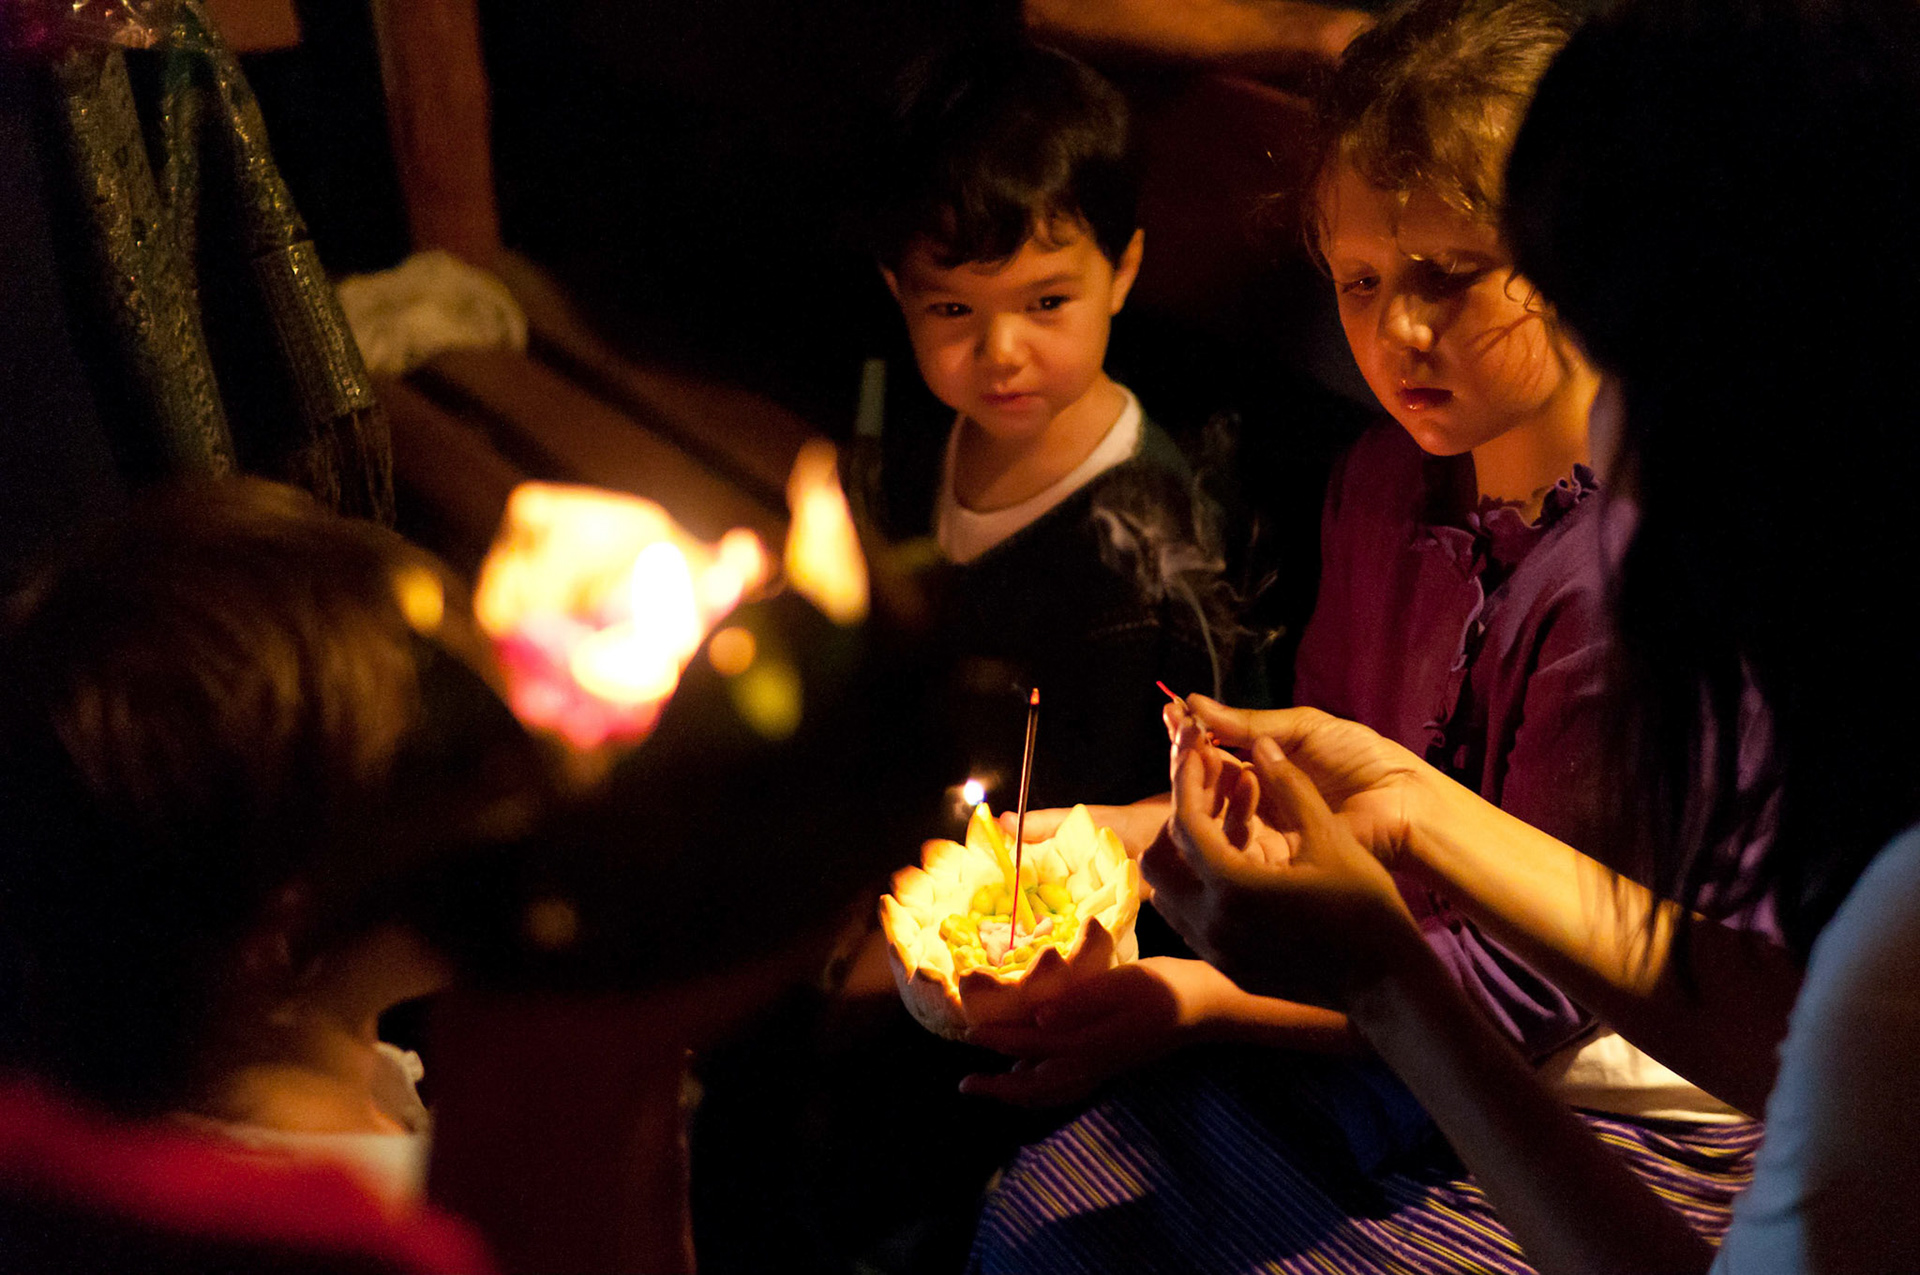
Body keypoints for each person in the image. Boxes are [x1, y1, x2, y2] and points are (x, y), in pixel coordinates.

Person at [964, 2, 1765, 1269]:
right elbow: (1340, 818)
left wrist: (1200, 1001)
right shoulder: (1382, 488)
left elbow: (1539, 996)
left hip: (1606, 1109)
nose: (1398, 332)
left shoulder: (1634, 585)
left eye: (1451, 277)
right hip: (1379, 1030)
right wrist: (1109, 842)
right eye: (1362, 281)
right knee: (1030, 1222)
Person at [1143, 0, 1920, 1269]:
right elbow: (1766, 1020)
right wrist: (1397, 803)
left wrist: (1328, 988)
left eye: (1630, 351)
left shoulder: (1887, 908)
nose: (1600, 445)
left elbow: (1725, 1069)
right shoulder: (1391, 490)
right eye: (1359, 281)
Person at [0, 479, 548, 1206]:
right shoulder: (414, 1226)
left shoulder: (118, 1115)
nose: (516, 800)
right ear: (285, 921)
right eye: (447, 767)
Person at [865, 37, 1254, 810]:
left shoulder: (1160, 544)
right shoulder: (903, 444)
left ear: (1123, 272)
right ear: (898, 292)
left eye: (1046, 303)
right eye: (951, 308)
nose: (1001, 352)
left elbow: (1206, 789)